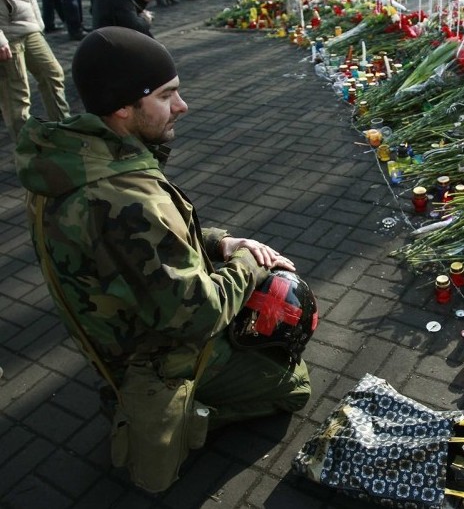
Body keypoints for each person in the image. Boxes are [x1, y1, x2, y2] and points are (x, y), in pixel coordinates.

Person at [14, 26, 312, 441]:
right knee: (294, 384)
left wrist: (219, 243)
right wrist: (248, 263)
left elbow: (132, 244)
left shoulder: (76, 156)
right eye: (165, 95)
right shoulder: (122, 197)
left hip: (118, 324)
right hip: (148, 353)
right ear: (122, 107)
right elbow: (200, 315)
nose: (183, 106)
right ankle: (167, 416)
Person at [0, 0, 70, 140]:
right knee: (18, 101)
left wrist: (36, 19)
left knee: (53, 74)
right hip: (7, 33)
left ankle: (65, 136)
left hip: (26, 24)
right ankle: (28, 158)